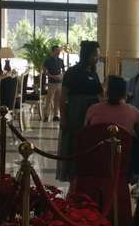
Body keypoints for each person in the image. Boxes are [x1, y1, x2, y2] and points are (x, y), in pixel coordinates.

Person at [56, 41, 103, 182]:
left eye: (98, 55)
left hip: (92, 115)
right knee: (73, 146)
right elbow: (63, 97)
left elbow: (100, 93)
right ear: (86, 55)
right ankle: (73, 178)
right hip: (75, 114)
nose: (97, 58)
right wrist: (63, 117)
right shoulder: (72, 72)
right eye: (95, 55)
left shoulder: (94, 73)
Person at [43, 45, 65, 122]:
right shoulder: (48, 60)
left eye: (59, 50)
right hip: (51, 83)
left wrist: (61, 76)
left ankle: (56, 115)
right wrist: (52, 76)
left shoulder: (61, 60)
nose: (58, 52)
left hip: (59, 83)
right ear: (53, 51)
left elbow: (63, 71)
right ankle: (46, 115)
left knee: (57, 100)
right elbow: (44, 72)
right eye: (57, 50)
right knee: (49, 99)